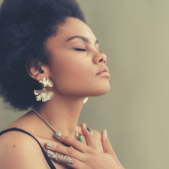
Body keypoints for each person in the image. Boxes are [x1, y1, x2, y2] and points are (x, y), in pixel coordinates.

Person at [0, 0, 124, 168]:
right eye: (80, 48)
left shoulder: (93, 142)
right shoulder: (17, 146)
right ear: (38, 69)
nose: (101, 56)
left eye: (97, 47)